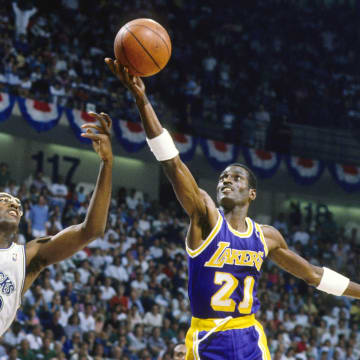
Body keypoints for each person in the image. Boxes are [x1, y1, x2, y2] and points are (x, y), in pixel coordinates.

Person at [106, 58, 360, 360]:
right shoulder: (206, 216)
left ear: (251, 193)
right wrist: (142, 99)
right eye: (223, 177)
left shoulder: (268, 237)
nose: (226, 180)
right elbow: (171, 164)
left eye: (235, 177)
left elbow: (313, 275)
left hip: (251, 337)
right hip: (209, 339)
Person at [0, 112, 113, 336]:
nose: (13, 205)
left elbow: (91, 230)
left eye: (17, 205)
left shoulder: (27, 256)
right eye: (4, 201)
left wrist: (107, 163)